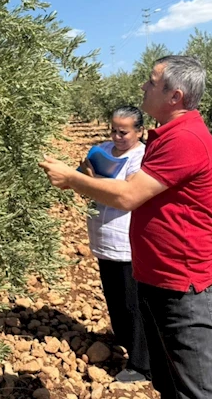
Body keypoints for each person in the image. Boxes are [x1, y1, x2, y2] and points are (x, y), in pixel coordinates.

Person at [39, 56, 212, 399]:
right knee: (170, 383)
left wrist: (71, 179)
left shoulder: (185, 139)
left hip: (184, 287)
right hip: (160, 279)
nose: (143, 86)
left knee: (198, 392)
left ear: (175, 96)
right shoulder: (168, 136)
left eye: (151, 82)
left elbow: (127, 196)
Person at [84, 106, 150, 383]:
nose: (117, 136)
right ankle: (123, 342)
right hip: (103, 238)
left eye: (123, 132)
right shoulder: (102, 149)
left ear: (139, 131)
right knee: (114, 297)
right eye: (113, 130)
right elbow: (83, 171)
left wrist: (92, 180)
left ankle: (141, 365)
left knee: (133, 303)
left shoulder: (141, 156)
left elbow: (127, 193)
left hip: (126, 241)